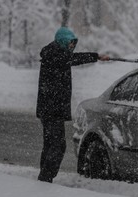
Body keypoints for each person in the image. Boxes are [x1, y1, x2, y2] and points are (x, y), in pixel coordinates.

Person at [36, 27, 110, 183]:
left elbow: (72, 58)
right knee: (58, 146)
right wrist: (95, 56)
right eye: (70, 43)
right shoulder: (56, 55)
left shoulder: (55, 53)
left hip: (49, 109)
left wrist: (95, 57)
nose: (72, 46)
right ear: (62, 41)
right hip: (52, 110)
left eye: (73, 43)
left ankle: (44, 177)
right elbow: (74, 58)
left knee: (50, 145)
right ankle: (45, 178)